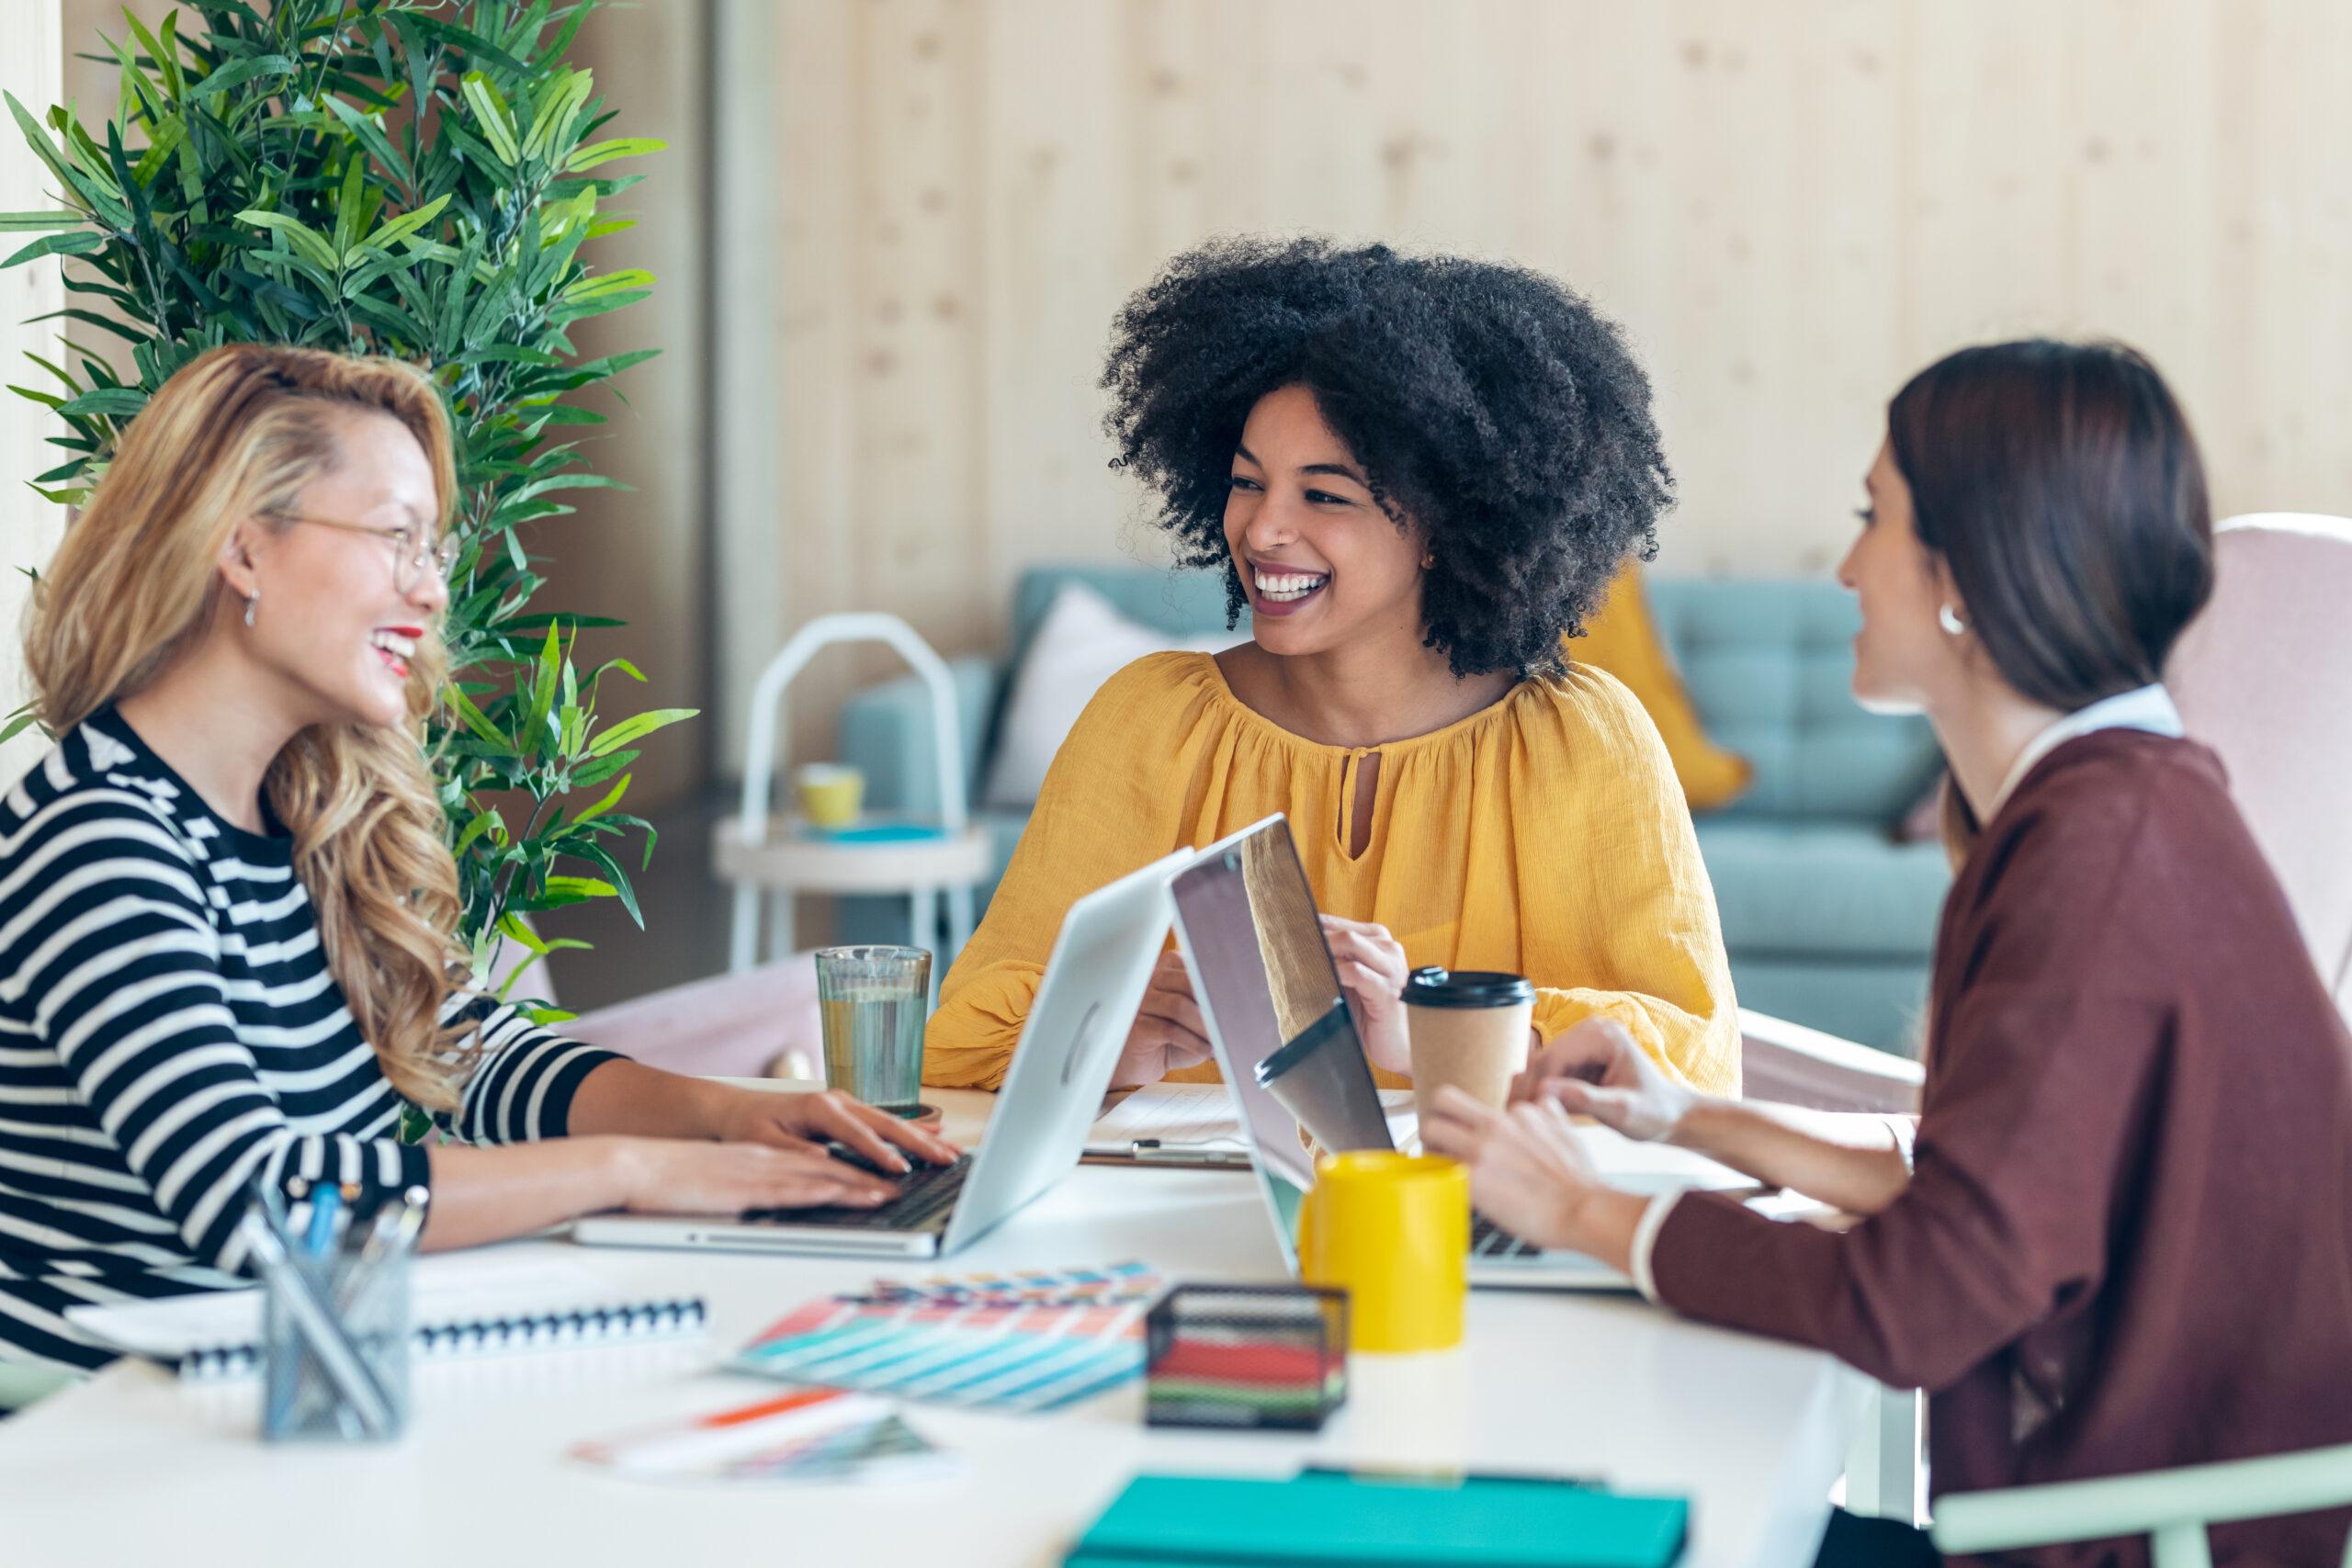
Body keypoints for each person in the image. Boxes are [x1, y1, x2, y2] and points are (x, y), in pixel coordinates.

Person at [1424, 340, 2352, 1566]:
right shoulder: (2125, 805)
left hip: (2110, 1543)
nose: (1848, 567)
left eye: (1875, 519)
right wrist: (1684, 1117)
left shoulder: (2100, 864)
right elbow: (1983, 1186)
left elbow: (1922, 1298)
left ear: (1968, 570)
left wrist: (1586, 1210)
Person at [0, 344, 956, 1376]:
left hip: (299, 1373)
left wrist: (732, 1113)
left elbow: (472, 1052)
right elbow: (259, 1198)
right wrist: (637, 1170)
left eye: (434, 551)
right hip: (122, 1423)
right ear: (243, 548)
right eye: (396, 539)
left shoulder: (304, 816)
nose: (428, 593)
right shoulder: (99, 836)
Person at [924, 237, 1740, 1098]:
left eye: (1323, 495)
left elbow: (1693, 1057)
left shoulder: (1582, 740)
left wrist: (1434, 1027)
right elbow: (963, 1038)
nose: (1262, 530)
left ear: (1443, 529)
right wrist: (1102, 1040)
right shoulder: (1149, 722)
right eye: (1247, 482)